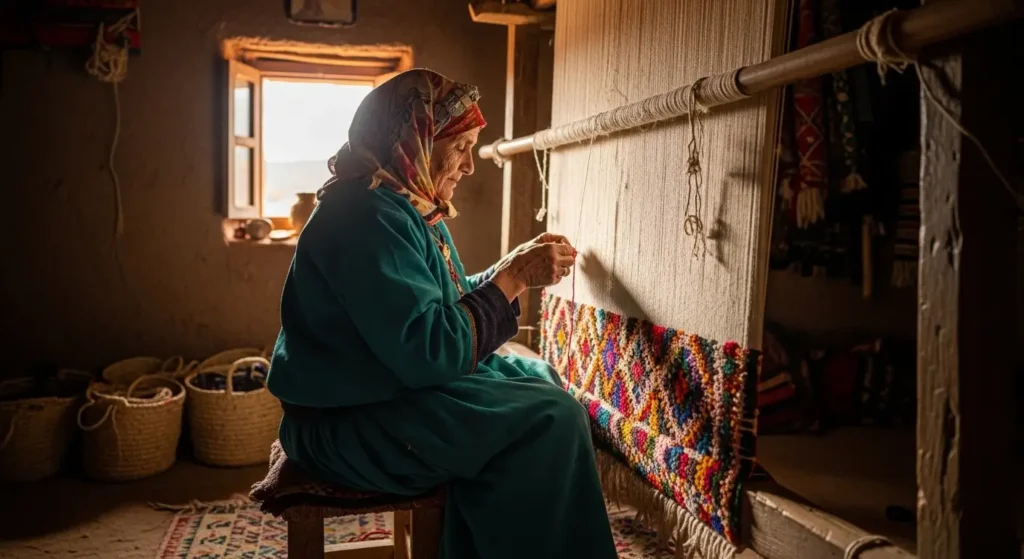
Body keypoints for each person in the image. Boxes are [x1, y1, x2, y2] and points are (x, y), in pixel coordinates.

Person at [266, 69, 618, 559]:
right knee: (551, 420)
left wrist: (512, 267)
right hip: (347, 423)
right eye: (461, 147)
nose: (469, 166)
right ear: (416, 141)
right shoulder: (366, 217)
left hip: (381, 394)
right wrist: (514, 278)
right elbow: (432, 350)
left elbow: (440, 301)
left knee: (538, 378)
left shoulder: (398, 204)